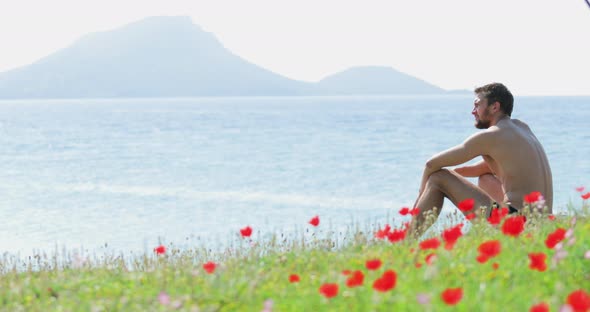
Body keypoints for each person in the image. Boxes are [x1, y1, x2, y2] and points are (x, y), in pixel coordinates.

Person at [410, 82, 553, 233]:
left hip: (518, 222)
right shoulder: (522, 128)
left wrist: (421, 195)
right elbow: (482, 168)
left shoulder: (491, 135)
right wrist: (454, 179)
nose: (473, 111)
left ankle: (406, 242)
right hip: (542, 221)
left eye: (477, 105)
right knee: (485, 178)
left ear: (494, 107)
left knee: (438, 177)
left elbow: (431, 164)